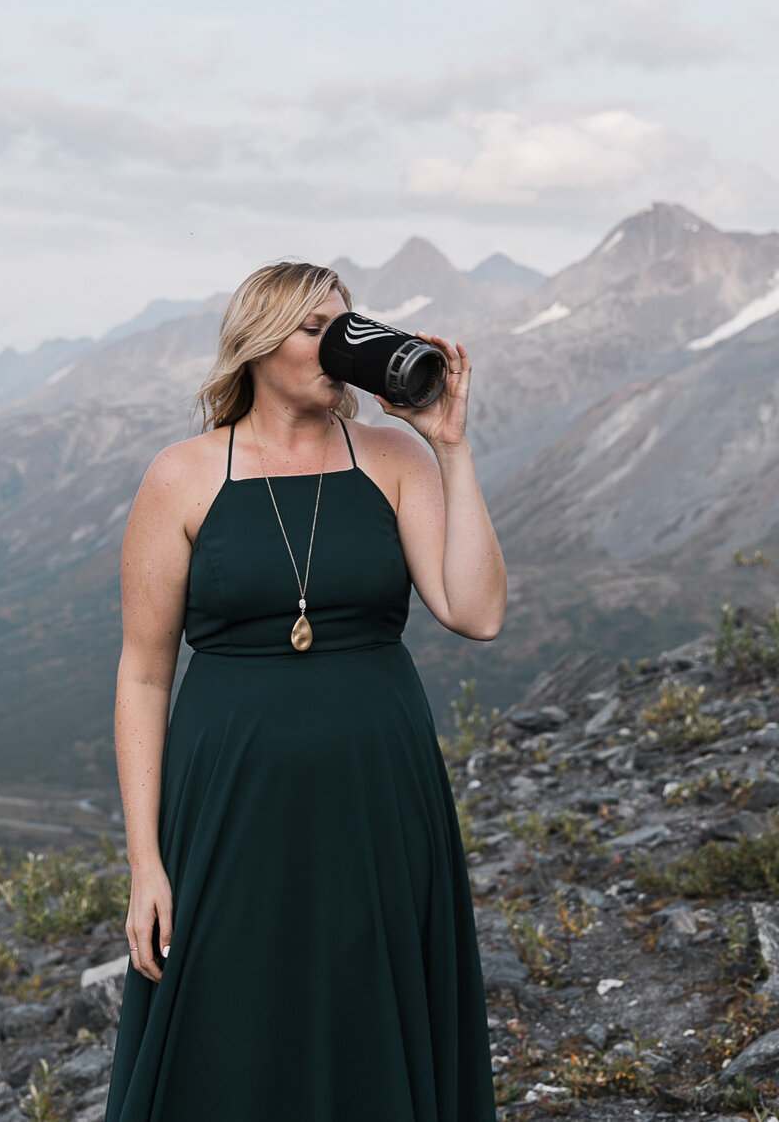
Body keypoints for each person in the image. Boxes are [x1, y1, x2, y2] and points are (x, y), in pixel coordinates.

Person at [106, 262, 504, 1121]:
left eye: (347, 323)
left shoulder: (394, 457)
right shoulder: (182, 475)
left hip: (380, 791)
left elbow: (475, 611)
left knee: (371, 995)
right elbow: (143, 673)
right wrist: (146, 862)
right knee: (228, 1010)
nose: (341, 344)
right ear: (255, 346)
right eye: (314, 327)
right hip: (229, 800)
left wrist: (451, 445)